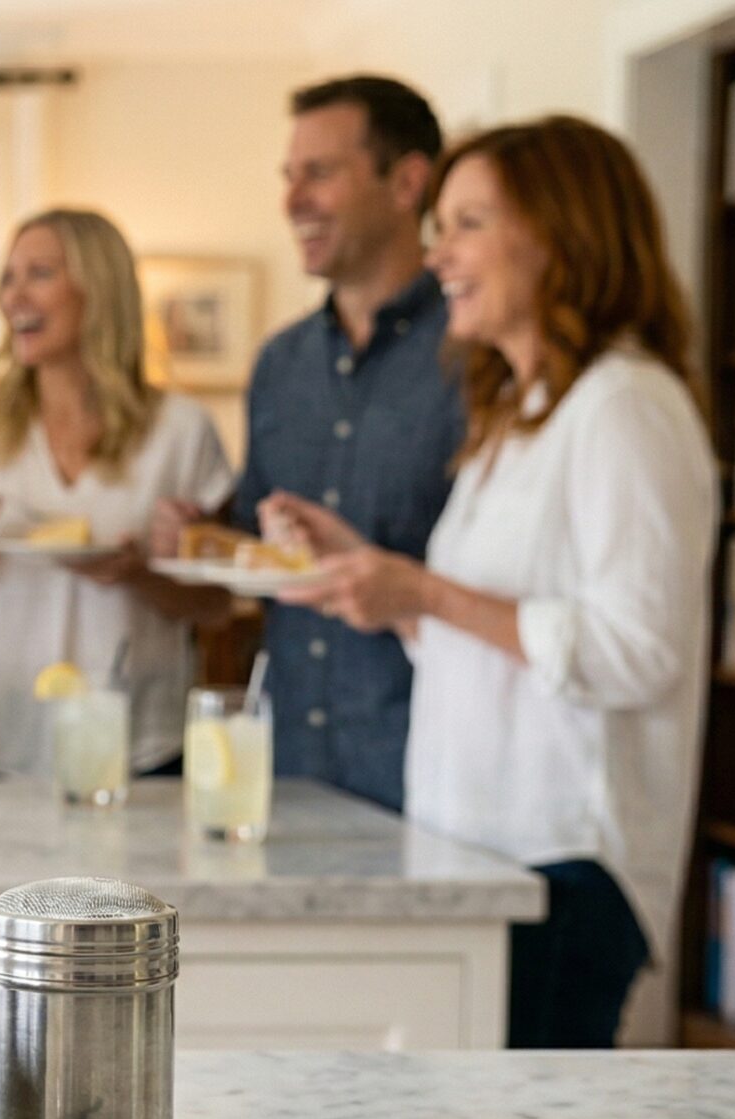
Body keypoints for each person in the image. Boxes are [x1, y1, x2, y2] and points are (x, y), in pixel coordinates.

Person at [271, 116, 712, 1048]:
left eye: (467, 223)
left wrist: (425, 592)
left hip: (567, 865)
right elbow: (489, 638)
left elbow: (636, 653)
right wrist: (373, 575)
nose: (439, 258)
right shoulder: (520, 414)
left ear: (559, 235)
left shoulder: (626, 407)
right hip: (485, 851)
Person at [157, 75, 458, 812]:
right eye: (289, 176)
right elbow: (261, 540)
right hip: (284, 763)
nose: (293, 201)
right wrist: (201, 538)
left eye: (319, 173)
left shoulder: (477, 353)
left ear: (407, 181)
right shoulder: (280, 364)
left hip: (427, 764)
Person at [0, 210, 235, 780]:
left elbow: (215, 606)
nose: (14, 295)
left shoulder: (180, 431)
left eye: (39, 273)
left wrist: (139, 572)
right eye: (8, 277)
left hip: (137, 747)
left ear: (99, 288)